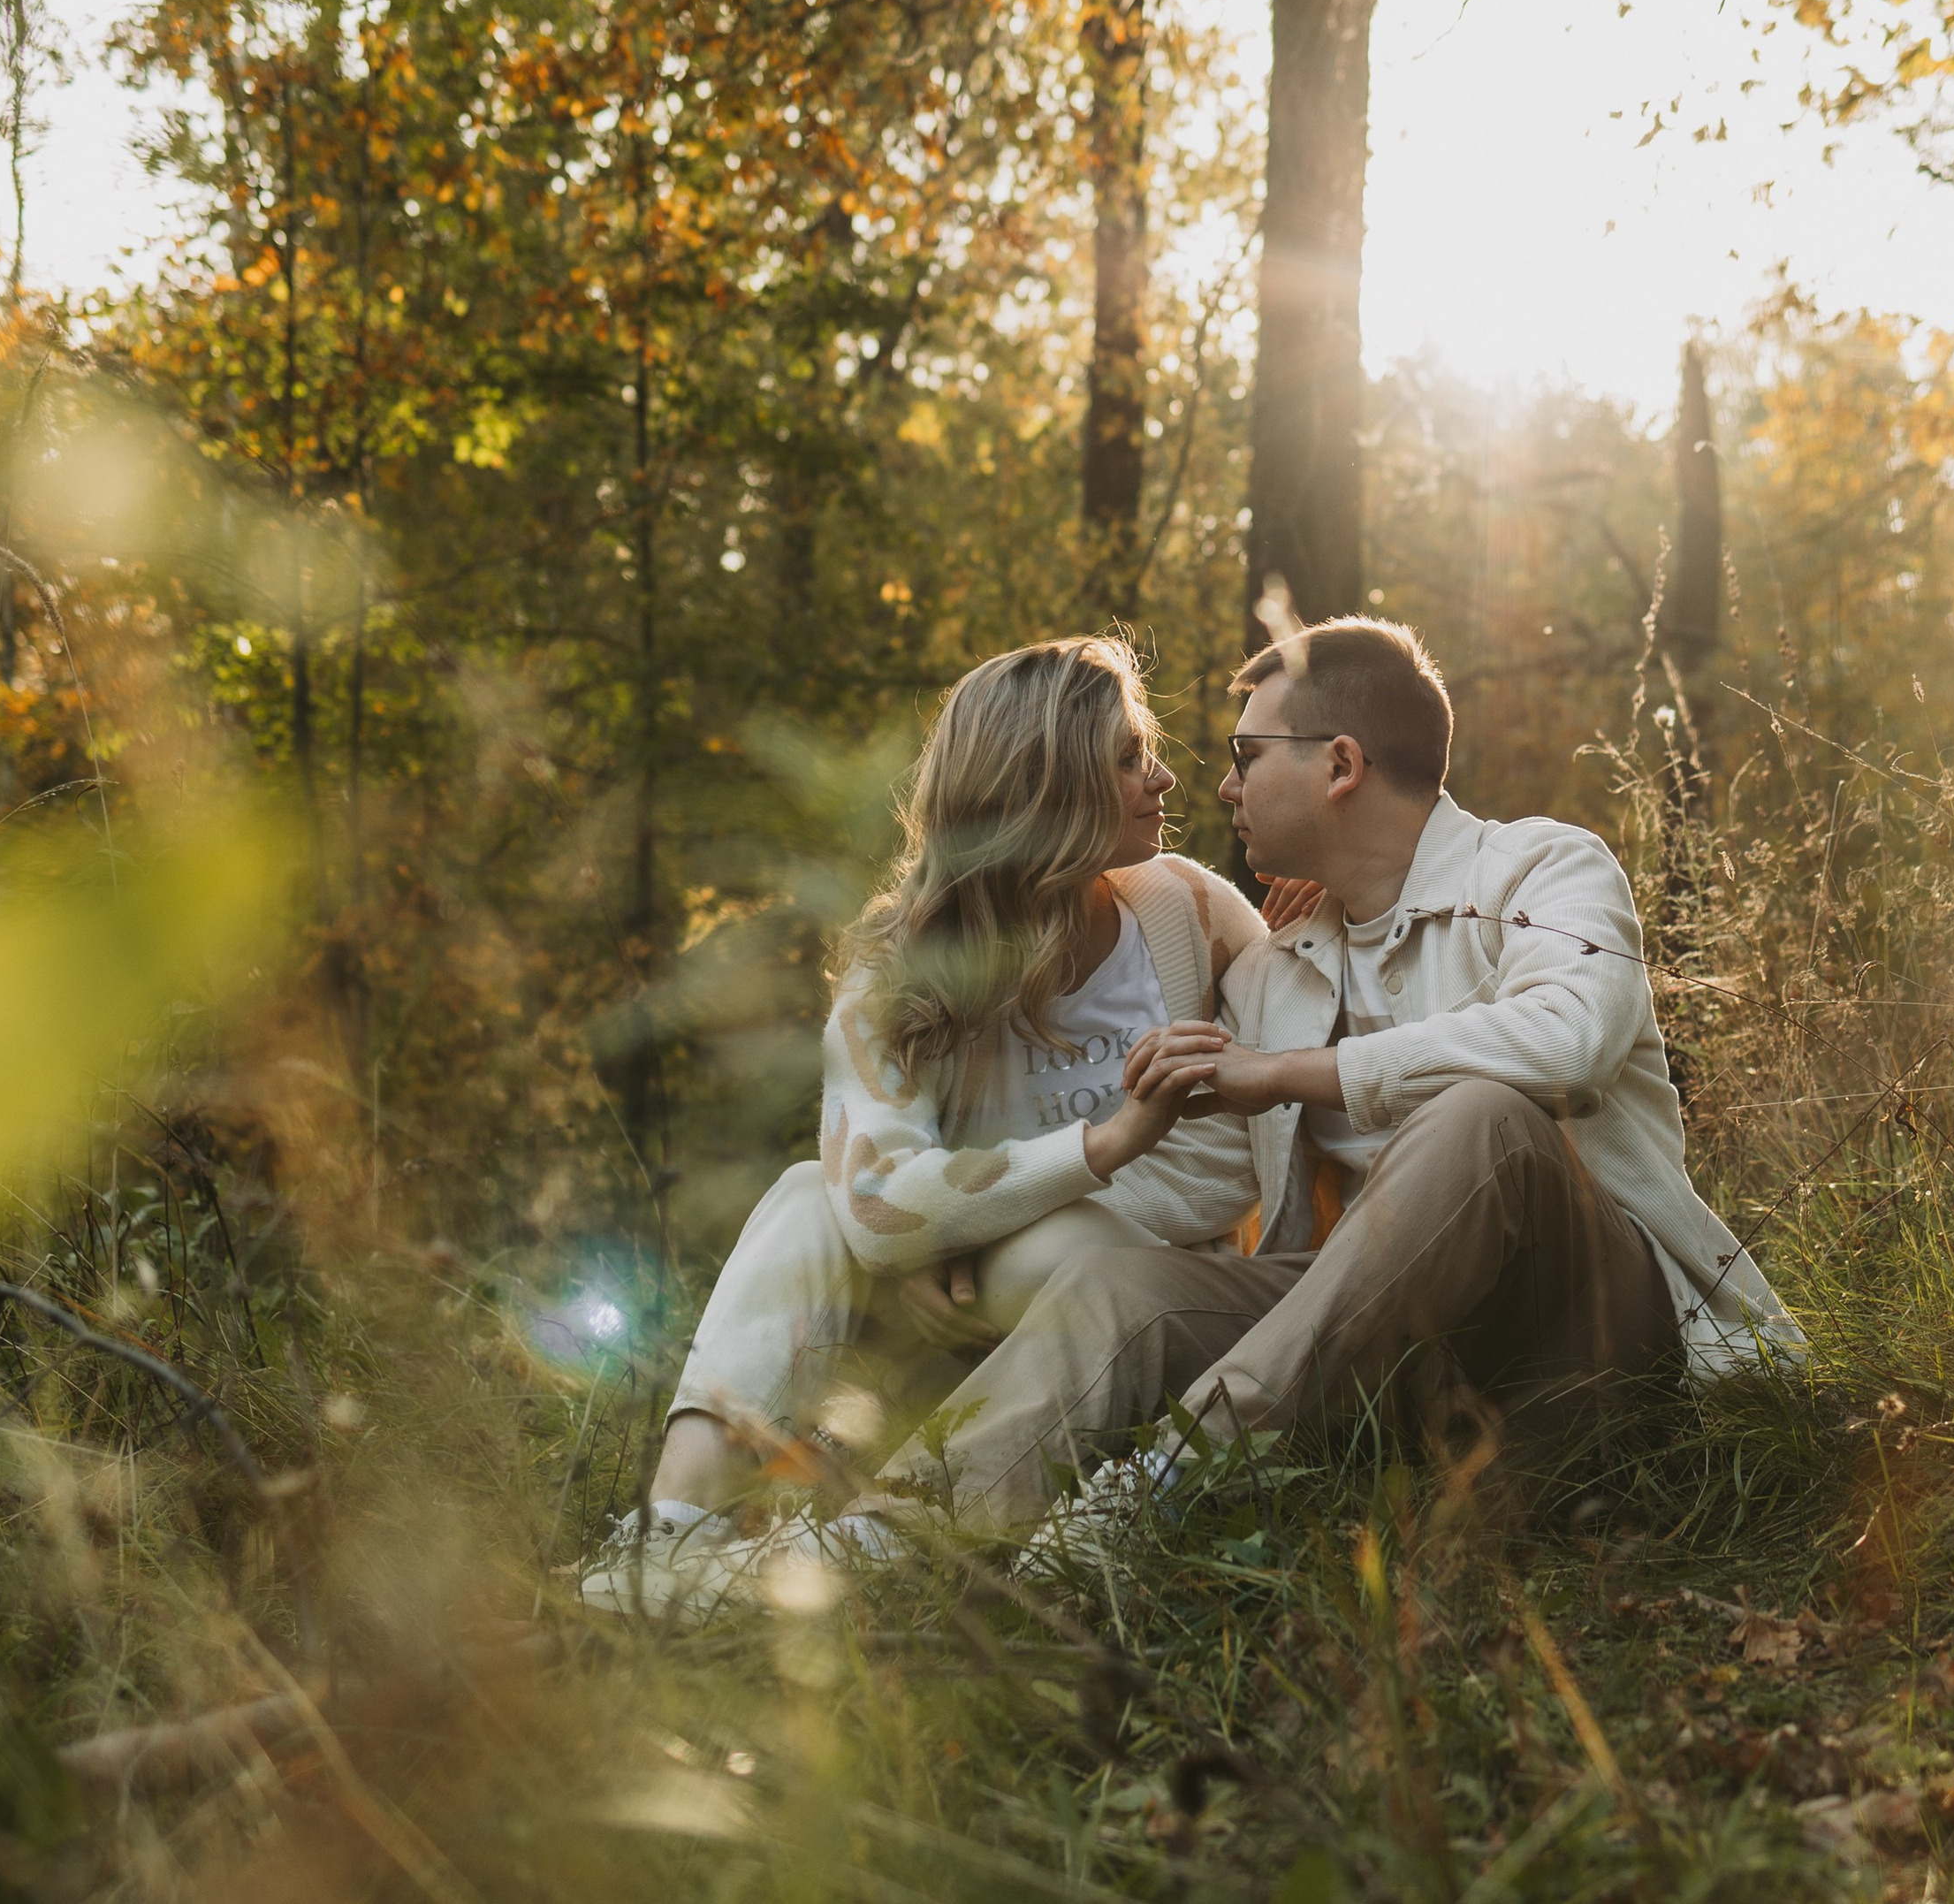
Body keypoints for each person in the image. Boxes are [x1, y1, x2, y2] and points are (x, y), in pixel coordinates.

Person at [839, 613, 1805, 1547]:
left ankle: (1174, 1475)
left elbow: (1572, 1043)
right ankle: (890, 1531)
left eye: (1246, 754)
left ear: (1340, 764)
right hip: (1386, 1357)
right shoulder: (1271, 974)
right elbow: (1185, 1184)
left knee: (1478, 1116)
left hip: (1589, 1326)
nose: (1217, 785)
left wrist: (1298, 1072)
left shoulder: (1542, 869)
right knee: (1114, 1279)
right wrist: (969, 1224)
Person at [580, 635, 1268, 1615]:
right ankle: (668, 1533)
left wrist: (967, 1224)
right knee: (800, 1199)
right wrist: (1100, 1145)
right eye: (1125, 758)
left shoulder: (1185, 912)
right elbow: (870, 1203)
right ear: (1045, 786)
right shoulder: (902, 959)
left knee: (1057, 1249)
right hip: (965, 1330)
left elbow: (1254, 1134)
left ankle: (857, 1543)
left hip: (1139, 1315)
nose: (1160, 777)